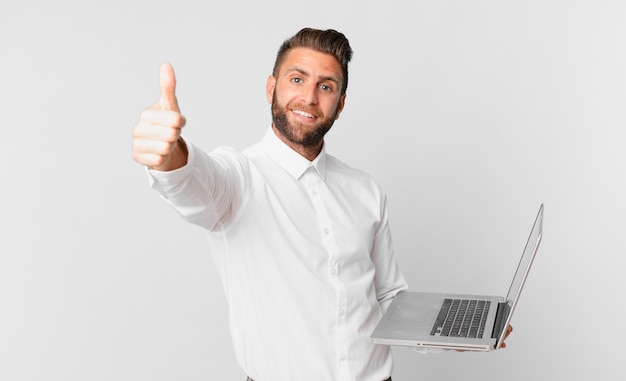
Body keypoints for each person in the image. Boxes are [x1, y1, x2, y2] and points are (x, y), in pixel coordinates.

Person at [132, 27, 510, 381]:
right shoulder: (240, 178)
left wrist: (459, 330)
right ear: (271, 87)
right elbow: (195, 180)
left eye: (325, 86)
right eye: (297, 80)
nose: (309, 98)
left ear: (341, 103)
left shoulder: (365, 190)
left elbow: (389, 296)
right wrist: (168, 155)